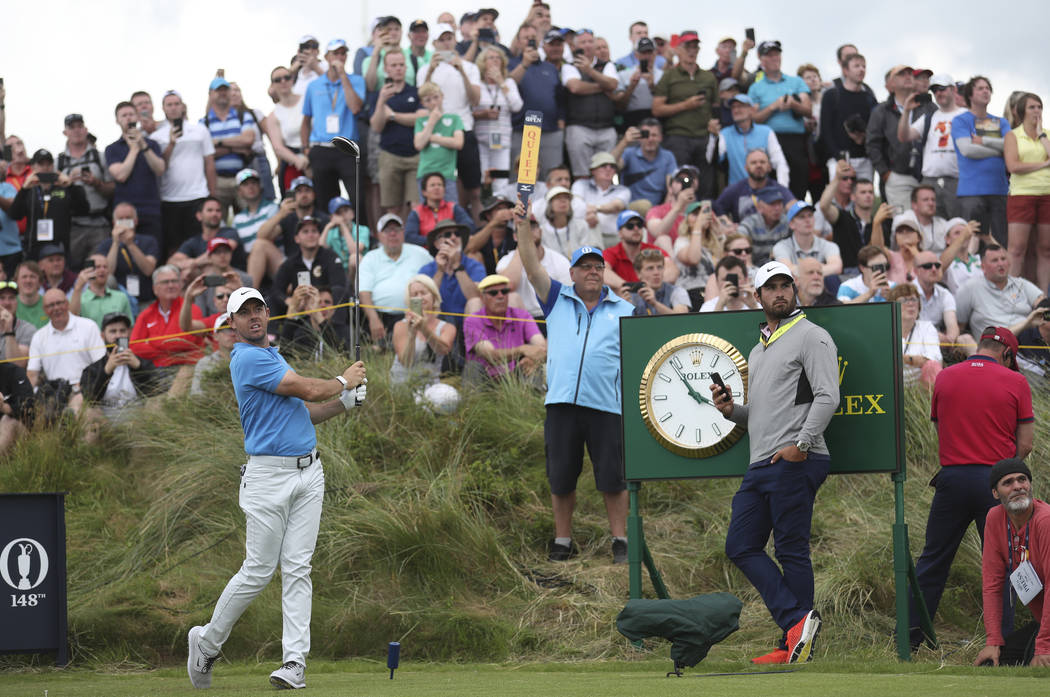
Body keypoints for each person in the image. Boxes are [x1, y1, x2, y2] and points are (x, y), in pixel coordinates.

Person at [186, 287, 367, 691]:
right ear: (231, 324)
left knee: (299, 567)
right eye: (244, 313)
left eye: (258, 309)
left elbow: (306, 412)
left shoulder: (271, 354)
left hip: (309, 473)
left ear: (267, 314)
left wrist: (346, 403)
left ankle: (294, 663)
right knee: (258, 570)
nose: (253, 317)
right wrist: (343, 379)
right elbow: (307, 389)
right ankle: (207, 643)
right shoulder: (246, 358)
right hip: (268, 477)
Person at [711, 260, 837, 664]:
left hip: (796, 458)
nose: (780, 292)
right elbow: (765, 413)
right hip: (764, 462)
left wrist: (801, 444)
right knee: (741, 545)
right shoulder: (758, 347)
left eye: (786, 285)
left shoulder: (811, 336)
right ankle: (798, 626)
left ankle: (795, 643)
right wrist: (734, 412)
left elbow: (827, 397)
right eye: (772, 287)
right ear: (758, 296)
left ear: (794, 291)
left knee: (790, 550)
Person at [514, 199, 635, 564]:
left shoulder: (625, 310)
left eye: (598, 266)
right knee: (561, 476)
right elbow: (530, 264)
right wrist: (522, 226)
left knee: (613, 478)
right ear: (572, 273)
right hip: (562, 403)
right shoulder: (556, 298)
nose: (593, 272)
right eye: (585, 267)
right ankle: (562, 541)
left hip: (607, 405)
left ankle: (621, 541)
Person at [909, 327, 1034, 650]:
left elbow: (939, 427)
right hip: (995, 481)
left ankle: (908, 640)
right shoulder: (1016, 381)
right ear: (1006, 353)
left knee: (933, 560)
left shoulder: (946, 377)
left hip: (951, 478)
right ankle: (1001, 644)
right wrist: (1005, 475)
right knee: (1001, 563)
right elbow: (1027, 444)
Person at [974, 459, 1050, 667]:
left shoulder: (1045, 521)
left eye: (1022, 479)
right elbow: (992, 583)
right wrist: (993, 640)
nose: (1017, 486)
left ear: (1030, 485)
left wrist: (1044, 646)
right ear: (995, 493)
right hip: (1043, 622)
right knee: (992, 664)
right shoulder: (994, 518)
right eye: (1008, 482)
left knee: (1037, 663)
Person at [421, 25, 483, 219]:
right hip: (437, 132)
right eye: (442, 40)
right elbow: (422, 97)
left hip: (464, 128)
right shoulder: (425, 68)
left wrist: (462, 70)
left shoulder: (470, 68)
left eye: (449, 38)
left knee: (473, 190)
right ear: (435, 44)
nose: (446, 43)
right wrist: (431, 70)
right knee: (439, 188)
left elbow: (475, 100)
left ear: (455, 40)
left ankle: (473, 230)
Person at [301, 39, 367, 213]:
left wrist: (343, 76)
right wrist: (305, 149)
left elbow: (355, 107)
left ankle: (361, 236)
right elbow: (306, 120)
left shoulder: (356, 81)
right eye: (335, 53)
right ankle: (329, 238)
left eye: (342, 53)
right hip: (322, 149)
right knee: (325, 201)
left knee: (358, 199)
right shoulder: (314, 86)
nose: (339, 57)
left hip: (347, 148)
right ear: (327, 57)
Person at [651, 30, 717, 195]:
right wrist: (685, 105)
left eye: (695, 47)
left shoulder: (709, 77)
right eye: (688, 46)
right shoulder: (669, 76)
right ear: (678, 49)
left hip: (704, 137)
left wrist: (715, 122)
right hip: (678, 137)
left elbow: (716, 106)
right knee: (680, 184)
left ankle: (704, 216)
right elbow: (657, 109)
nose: (692, 50)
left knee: (706, 185)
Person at [152, 90, 217, 256]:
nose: (173, 108)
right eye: (169, 105)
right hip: (169, 198)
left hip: (197, 195)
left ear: (183, 107)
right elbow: (159, 167)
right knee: (173, 247)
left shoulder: (200, 130)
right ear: (163, 109)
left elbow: (209, 163)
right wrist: (171, 144)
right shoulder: (156, 137)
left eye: (176, 104)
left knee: (201, 243)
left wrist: (212, 195)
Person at [747, 41, 813, 201]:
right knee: (771, 188)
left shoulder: (796, 82)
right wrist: (773, 107)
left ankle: (796, 218)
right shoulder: (756, 87)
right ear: (761, 60)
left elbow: (808, 110)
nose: (774, 58)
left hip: (796, 141)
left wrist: (793, 104)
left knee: (798, 185)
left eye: (776, 54)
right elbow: (753, 118)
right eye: (769, 55)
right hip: (769, 141)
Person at [26, 288, 106, 411]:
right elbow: (32, 374)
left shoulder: (88, 326)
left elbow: (101, 364)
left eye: (59, 303)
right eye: (51, 305)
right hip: (55, 394)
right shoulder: (38, 337)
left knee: (75, 408)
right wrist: (25, 399)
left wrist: (80, 389)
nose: (56, 308)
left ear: (67, 304)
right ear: (44, 310)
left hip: (87, 390)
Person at [898, 74, 965, 219]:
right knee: (929, 225)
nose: (938, 93)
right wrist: (906, 111)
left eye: (942, 88)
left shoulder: (966, 116)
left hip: (957, 180)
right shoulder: (929, 117)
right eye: (934, 90)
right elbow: (904, 136)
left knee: (958, 226)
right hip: (930, 181)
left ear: (953, 90)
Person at [953, 76, 1010, 246]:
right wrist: (998, 151)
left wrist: (983, 141)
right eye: (980, 88)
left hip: (998, 190)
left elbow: (1011, 145)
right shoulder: (960, 120)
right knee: (971, 244)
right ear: (970, 95)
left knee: (999, 243)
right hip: (971, 192)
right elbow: (967, 149)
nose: (985, 91)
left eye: (987, 88)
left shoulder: (1001, 122)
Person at [359, 214, 434, 344]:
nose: (393, 234)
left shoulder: (420, 254)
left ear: (403, 232)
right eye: (387, 230)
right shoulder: (370, 258)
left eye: (397, 230)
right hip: (381, 315)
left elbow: (435, 281)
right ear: (379, 235)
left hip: (415, 312)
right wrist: (373, 318)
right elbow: (364, 292)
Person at [389, 274, 459, 411]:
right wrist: (412, 335)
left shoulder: (447, 327)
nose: (420, 297)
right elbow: (406, 362)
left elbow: (443, 349)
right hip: (402, 384)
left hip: (430, 385)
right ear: (409, 300)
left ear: (434, 297)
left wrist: (424, 329)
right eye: (415, 294)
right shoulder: (400, 326)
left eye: (424, 293)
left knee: (450, 397)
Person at [369, 50, 426, 218]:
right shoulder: (378, 95)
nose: (398, 69)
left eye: (401, 65)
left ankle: (412, 239)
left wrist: (392, 116)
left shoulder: (415, 92)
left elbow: (421, 119)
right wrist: (381, 102)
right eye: (394, 65)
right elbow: (377, 126)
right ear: (386, 69)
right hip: (389, 155)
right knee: (392, 207)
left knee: (416, 206)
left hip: (415, 155)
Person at [1003, 92, 1050, 289]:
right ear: (1022, 111)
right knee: (1016, 249)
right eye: (1032, 107)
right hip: (1022, 195)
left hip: (1047, 195)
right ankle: (1011, 295)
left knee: (1046, 250)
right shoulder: (1013, 135)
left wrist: (1041, 135)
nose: (1036, 111)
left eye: (1039, 106)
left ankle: (1043, 299)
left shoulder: (1046, 133)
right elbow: (1013, 166)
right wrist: (1044, 164)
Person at [80, 311, 167, 419]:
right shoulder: (92, 369)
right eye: (113, 331)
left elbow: (156, 391)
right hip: (105, 427)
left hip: (139, 425)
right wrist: (106, 371)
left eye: (122, 331)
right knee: (89, 413)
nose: (118, 336)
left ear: (129, 333)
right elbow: (90, 399)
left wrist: (139, 368)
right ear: (103, 336)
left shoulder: (143, 363)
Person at [463, 273, 546, 382]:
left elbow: (541, 346)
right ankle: (475, 400)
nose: (500, 296)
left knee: (533, 364)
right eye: (493, 293)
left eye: (504, 291)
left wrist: (531, 359)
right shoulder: (472, 321)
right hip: (486, 380)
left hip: (517, 374)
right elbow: (491, 356)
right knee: (473, 367)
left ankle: (535, 398)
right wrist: (522, 350)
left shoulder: (522, 315)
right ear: (482, 298)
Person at [57, 113, 115, 267]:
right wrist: (66, 184)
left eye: (80, 126)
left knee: (99, 269)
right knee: (73, 269)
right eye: (72, 127)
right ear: (65, 132)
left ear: (86, 130)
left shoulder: (100, 157)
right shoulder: (59, 162)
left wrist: (96, 183)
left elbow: (113, 189)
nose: (76, 131)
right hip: (72, 226)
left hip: (99, 224)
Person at [8, 149, 89, 260]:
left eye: (49, 164)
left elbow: (83, 210)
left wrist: (70, 186)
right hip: (34, 248)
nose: (45, 168)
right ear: (33, 167)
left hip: (59, 248)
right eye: (41, 164)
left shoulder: (64, 188)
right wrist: (24, 189)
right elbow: (14, 215)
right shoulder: (29, 190)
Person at [561, 29, 620, 180]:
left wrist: (589, 71)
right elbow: (575, 87)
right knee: (582, 174)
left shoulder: (607, 65)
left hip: (606, 127)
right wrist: (602, 86)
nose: (587, 45)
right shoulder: (569, 66)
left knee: (606, 174)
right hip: (579, 128)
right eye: (583, 42)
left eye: (590, 41)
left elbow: (613, 84)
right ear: (574, 47)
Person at [508, 28, 566, 180]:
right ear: (519, 42)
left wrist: (561, 119)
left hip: (550, 129)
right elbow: (507, 85)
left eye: (533, 37)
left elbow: (559, 96)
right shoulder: (511, 63)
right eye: (526, 37)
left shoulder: (550, 67)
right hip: (523, 128)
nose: (530, 40)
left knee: (552, 177)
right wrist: (525, 64)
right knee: (524, 179)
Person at [496, 215, 572, 329]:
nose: (528, 232)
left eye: (532, 227)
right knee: (511, 298)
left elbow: (568, 297)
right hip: (522, 318)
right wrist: (522, 247)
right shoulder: (506, 261)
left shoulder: (559, 260)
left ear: (540, 231)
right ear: (515, 236)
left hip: (552, 316)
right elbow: (508, 286)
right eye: (523, 229)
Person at [106, 102, 166, 244]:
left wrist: (143, 146)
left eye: (131, 114)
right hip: (124, 213)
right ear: (117, 120)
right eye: (124, 115)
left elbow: (160, 169)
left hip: (150, 210)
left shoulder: (152, 144)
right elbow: (121, 175)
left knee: (153, 251)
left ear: (138, 117)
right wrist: (134, 150)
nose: (128, 118)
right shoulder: (112, 149)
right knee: (125, 250)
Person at [956, 243, 1046, 336]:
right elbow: (960, 326)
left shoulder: (1021, 284)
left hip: (1027, 342)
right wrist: (1027, 322)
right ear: (983, 267)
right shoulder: (970, 288)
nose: (1001, 264)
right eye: (995, 260)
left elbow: (1043, 304)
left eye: (1003, 259)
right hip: (993, 344)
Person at [866, 65, 920, 211]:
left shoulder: (926, 107)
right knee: (903, 226)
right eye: (902, 74)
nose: (908, 76)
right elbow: (872, 144)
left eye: (911, 74)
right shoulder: (881, 111)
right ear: (892, 84)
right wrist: (885, 173)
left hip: (925, 177)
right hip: (897, 177)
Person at [130, 265, 205, 371]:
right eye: (165, 282)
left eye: (174, 281)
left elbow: (187, 341)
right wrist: (168, 351)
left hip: (187, 367)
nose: (171, 285)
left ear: (180, 285)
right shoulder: (146, 315)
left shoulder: (192, 309)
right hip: (156, 370)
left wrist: (152, 342)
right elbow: (135, 346)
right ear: (155, 289)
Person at [270, 216, 348, 313]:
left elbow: (339, 287)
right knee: (270, 301)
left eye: (314, 231)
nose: (310, 235)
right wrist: (289, 301)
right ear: (296, 239)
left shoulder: (331, 257)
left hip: (326, 312)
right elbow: (276, 290)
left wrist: (319, 301)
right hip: (301, 314)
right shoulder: (291, 263)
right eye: (305, 231)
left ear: (319, 235)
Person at [819, 53, 877, 181]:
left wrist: (863, 137)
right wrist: (838, 158)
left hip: (864, 160)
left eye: (864, 66)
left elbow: (875, 130)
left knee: (864, 197)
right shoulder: (831, 95)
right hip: (838, 160)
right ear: (845, 70)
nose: (861, 69)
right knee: (837, 199)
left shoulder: (869, 97)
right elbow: (825, 130)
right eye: (856, 66)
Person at [473, 47, 523, 192]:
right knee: (483, 178)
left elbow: (517, 106)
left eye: (498, 57)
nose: (495, 60)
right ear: (483, 62)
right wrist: (483, 114)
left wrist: (501, 82)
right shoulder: (478, 84)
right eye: (491, 57)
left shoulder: (509, 83)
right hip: (481, 140)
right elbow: (469, 110)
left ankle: (501, 208)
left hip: (501, 141)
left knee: (501, 180)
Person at [714, 96, 790, 188]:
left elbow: (780, 163)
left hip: (763, 190)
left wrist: (782, 188)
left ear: (752, 110)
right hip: (737, 192)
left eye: (740, 106)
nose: (736, 110)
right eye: (733, 107)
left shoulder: (766, 132)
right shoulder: (724, 133)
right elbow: (714, 160)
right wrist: (713, 137)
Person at [819, 163, 876, 271]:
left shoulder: (879, 223)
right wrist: (837, 178)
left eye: (871, 192)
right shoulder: (842, 217)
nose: (868, 195)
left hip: (873, 273)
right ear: (853, 197)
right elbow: (824, 206)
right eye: (863, 192)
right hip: (846, 274)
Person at [413, 83, 465, 201]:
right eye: (428, 100)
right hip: (425, 174)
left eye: (436, 97)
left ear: (442, 96)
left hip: (447, 175)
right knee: (427, 213)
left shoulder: (454, 119)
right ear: (423, 103)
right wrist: (432, 121)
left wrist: (431, 137)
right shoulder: (421, 121)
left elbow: (458, 143)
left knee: (450, 211)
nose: (433, 102)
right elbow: (419, 144)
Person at [612, 121, 678, 210]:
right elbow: (611, 165)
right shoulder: (629, 153)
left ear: (661, 138)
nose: (650, 139)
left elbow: (672, 188)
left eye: (654, 135)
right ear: (639, 138)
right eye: (645, 135)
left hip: (655, 211)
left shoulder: (668, 156)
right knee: (644, 206)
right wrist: (624, 141)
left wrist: (663, 212)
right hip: (629, 208)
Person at [263, 65, 309, 195]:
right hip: (293, 162)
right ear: (272, 85)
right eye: (278, 80)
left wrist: (308, 156)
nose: (283, 81)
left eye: (286, 77)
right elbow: (278, 147)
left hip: (314, 155)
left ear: (292, 79)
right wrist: (297, 160)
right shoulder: (273, 115)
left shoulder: (306, 100)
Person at [603, 210, 676, 291]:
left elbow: (672, 271)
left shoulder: (652, 250)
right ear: (620, 233)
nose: (636, 228)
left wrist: (652, 286)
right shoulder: (611, 252)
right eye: (630, 226)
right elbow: (603, 271)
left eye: (639, 225)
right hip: (625, 299)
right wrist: (632, 288)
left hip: (652, 297)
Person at [714, 149, 794, 222]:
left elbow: (793, 206)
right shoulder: (734, 190)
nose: (758, 165)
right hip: (743, 236)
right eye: (753, 163)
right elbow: (716, 210)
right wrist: (727, 225)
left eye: (762, 162)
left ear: (769, 167)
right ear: (746, 168)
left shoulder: (779, 189)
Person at [887, 283, 942, 388]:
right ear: (893, 305)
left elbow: (934, 359)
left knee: (932, 367)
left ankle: (928, 403)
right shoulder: (885, 330)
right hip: (890, 387)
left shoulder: (926, 327)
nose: (910, 304)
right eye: (904, 300)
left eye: (913, 299)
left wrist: (904, 359)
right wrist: (917, 361)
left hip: (920, 388)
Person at [571, 152, 630, 247]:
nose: (608, 169)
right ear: (593, 170)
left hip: (614, 237)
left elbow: (616, 206)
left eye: (612, 166)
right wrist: (591, 214)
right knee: (591, 221)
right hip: (586, 235)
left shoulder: (623, 190)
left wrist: (595, 209)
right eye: (603, 165)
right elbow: (576, 206)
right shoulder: (580, 184)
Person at [771, 201, 842, 277]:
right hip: (795, 288)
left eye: (810, 215)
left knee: (832, 279)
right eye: (802, 217)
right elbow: (786, 271)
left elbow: (837, 267)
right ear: (791, 224)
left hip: (821, 288)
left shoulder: (828, 245)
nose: (808, 220)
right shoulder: (781, 246)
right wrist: (820, 269)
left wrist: (799, 270)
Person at [404, 172, 475, 247]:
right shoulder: (416, 212)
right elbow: (409, 237)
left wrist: (451, 237)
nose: (437, 188)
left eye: (440, 185)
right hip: (426, 253)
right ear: (424, 192)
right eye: (432, 185)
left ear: (444, 190)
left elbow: (470, 227)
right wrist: (434, 240)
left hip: (453, 249)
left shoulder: (453, 208)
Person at [279, 284, 347, 359]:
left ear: (333, 310)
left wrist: (317, 313)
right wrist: (292, 308)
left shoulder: (343, 331)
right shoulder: (301, 334)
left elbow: (341, 355)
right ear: (307, 309)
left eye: (327, 302)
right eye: (318, 302)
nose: (323, 305)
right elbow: (285, 355)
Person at [69, 253, 134, 328]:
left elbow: (130, 327)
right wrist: (78, 287)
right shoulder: (78, 299)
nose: (102, 270)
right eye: (97, 267)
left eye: (105, 267)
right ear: (88, 270)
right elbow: (71, 321)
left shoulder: (121, 297)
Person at [538, 186, 602, 259]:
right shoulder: (541, 231)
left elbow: (588, 252)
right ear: (550, 204)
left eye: (566, 198)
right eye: (558, 198)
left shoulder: (581, 225)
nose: (563, 201)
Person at [614, 38, 662, 130]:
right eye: (644, 53)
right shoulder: (624, 75)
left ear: (655, 53)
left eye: (650, 52)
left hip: (657, 121)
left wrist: (652, 86)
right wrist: (631, 87)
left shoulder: (663, 76)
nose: (647, 56)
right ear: (637, 55)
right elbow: (620, 107)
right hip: (632, 121)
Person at [627, 248, 689, 315]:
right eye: (650, 268)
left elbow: (682, 319)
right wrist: (623, 307)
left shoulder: (677, 291)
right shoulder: (630, 295)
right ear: (638, 273)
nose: (656, 273)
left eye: (659, 267)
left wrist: (655, 304)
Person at [739, 188, 790, 265]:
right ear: (759, 207)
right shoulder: (749, 223)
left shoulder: (787, 222)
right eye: (772, 204)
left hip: (781, 269)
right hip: (755, 269)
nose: (777, 208)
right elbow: (738, 239)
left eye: (779, 203)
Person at [192, 313, 237, 395]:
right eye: (226, 329)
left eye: (236, 329)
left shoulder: (253, 359)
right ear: (215, 336)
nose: (233, 334)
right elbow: (197, 396)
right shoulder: (205, 363)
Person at [940, 217, 983, 294]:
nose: (964, 236)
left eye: (965, 233)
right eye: (957, 233)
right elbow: (940, 267)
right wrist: (963, 236)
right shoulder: (947, 262)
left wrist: (988, 239)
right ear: (947, 239)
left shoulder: (979, 259)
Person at [0, 279, 33, 368]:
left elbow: (17, 364)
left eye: (11, 298)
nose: (7, 303)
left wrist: (9, 331)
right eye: (2, 298)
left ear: (17, 302)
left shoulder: (28, 329)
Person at [14, 261, 48, 328]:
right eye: (24, 277)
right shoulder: (9, 305)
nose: (28, 281)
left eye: (32, 277)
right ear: (16, 281)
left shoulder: (49, 304)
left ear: (40, 282)